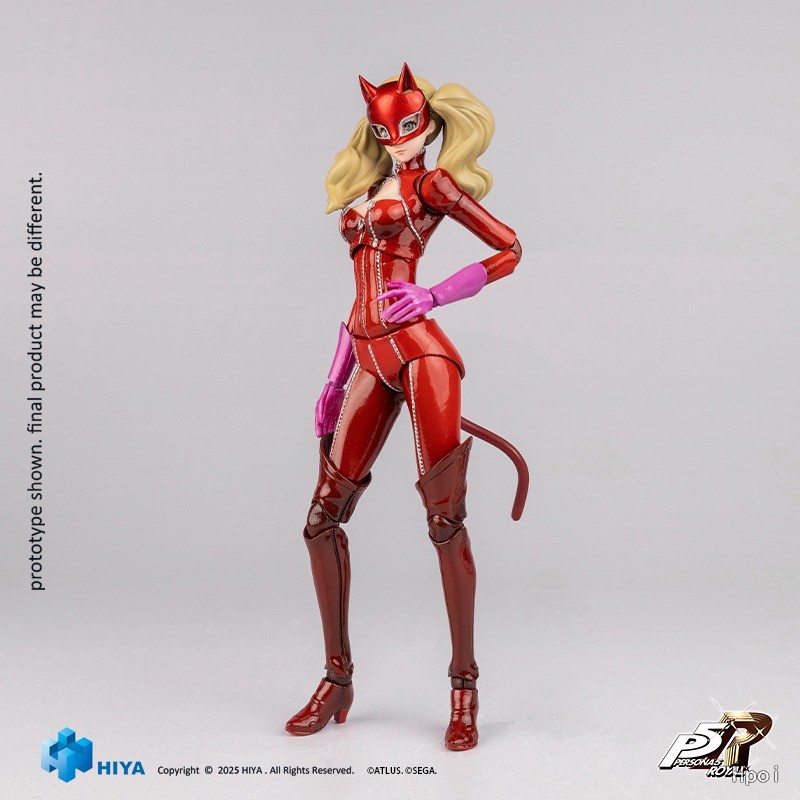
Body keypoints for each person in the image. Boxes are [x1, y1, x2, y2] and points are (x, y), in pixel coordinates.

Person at [284, 64, 525, 751]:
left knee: (444, 522)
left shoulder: (432, 185)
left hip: (422, 354)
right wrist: (334, 379)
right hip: (367, 356)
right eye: (384, 129)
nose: (396, 139)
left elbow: (509, 248)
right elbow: (359, 299)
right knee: (321, 520)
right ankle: (336, 680)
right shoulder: (367, 191)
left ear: (427, 122)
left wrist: (434, 295)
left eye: (408, 127)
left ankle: (464, 688)